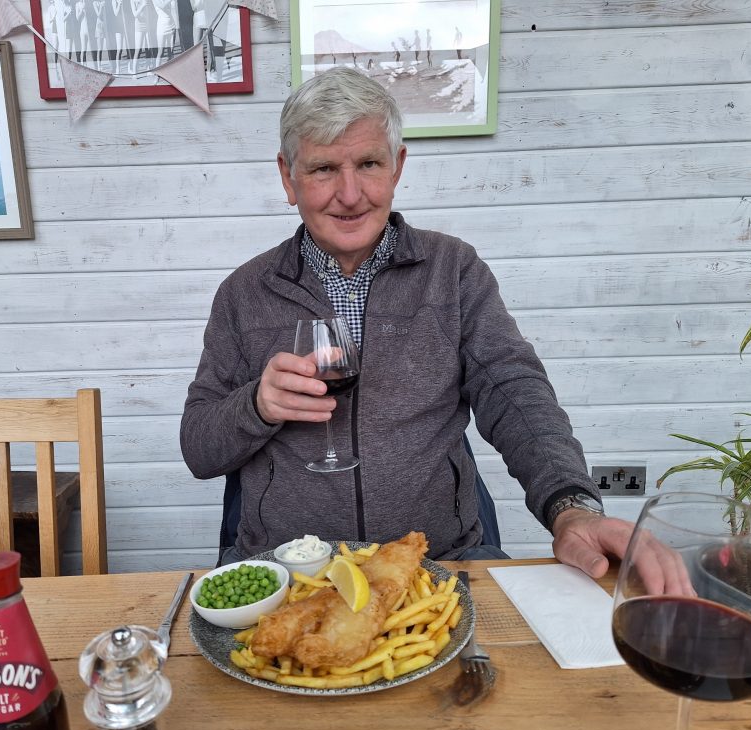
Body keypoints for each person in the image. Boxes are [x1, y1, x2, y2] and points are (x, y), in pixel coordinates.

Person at [180, 67, 634, 578]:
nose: (350, 194)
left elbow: (517, 394)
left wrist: (570, 507)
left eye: (368, 163)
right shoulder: (244, 293)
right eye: (324, 168)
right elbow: (199, 446)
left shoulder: (454, 271)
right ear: (288, 178)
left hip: (436, 568)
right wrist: (257, 405)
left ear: (397, 167)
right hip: (291, 576)